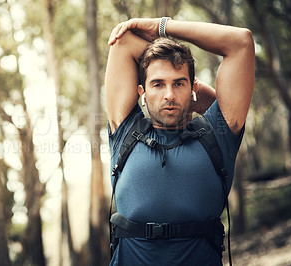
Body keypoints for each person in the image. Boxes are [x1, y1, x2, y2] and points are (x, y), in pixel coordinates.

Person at [105, 17, 254, 265]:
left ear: (192, 87)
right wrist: (173, 61)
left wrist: (161, 27)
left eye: (179, 83)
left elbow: (241, 42)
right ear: (141, 91)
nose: (169, 94)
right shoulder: (125, 130)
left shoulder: (219, 132)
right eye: (157, 84)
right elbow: (122, 42)